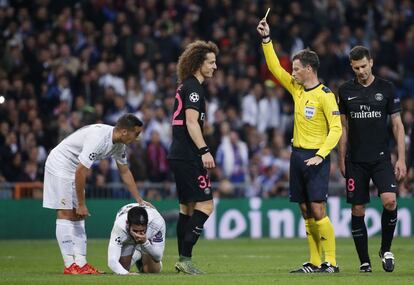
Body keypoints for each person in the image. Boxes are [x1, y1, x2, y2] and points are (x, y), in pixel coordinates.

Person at [257, 19, 342, 273]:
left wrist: (321, 155)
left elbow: (336, 128)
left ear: (308, 69)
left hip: (316, 156)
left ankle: (331, 262)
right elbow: (273, 67)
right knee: (305, 210)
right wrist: (266, 39)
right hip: (297, 155)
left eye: (295, 68)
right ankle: (315, 262)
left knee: (318, 208)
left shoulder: (325, 95)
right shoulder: (296, 89)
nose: (291, 72)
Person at [42, 113, 149, 274]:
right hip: (60, 164)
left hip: (74, 169)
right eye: (137, 133)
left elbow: (125, 171)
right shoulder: (98, 139)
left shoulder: (119, 145)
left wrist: (139, 199)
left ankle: (81, 264)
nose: (138, 138)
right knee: (65, 213)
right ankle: (70, 265)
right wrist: (81, 203)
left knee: (79, 216)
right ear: (125, 132)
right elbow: (80, 171)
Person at [337, 46, 406, 273]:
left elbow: (397, 125)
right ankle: (364, 261)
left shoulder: (386, 88)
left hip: (381, 158)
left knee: (390, 201)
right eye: (356, 68)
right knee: (358, 209)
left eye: (364, 66)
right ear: (351, 66)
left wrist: (401, 159)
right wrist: (341, 158)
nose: (361, 71)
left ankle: (385, 249)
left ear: (371, 63)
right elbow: (344, 127)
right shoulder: (345, 91)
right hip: (355, 160)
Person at [167, 40, 219, 274]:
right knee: (206, 205)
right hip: (188, 155)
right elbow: (191, 122)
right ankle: (186, 258)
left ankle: (182, 259)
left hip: (179, 154)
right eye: (211, 62)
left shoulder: (185, 86)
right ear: (199, 63)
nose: (214, 66)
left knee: (187, 208)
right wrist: (204, 150)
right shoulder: (194, 88)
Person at [107, 204, 165, 275]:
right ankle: (138, 253)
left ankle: (141, 252)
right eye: (135, 230)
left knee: (152, 270)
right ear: (128, 224)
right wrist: (127, 274)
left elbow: (158, 257)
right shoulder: (120, 226)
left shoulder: (157, 223)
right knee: (121, 268)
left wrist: (145, 243)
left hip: (147, 238)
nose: (139, 235)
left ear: (147, 224)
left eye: (142, 231)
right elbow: (112, 261)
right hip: (128, 239)